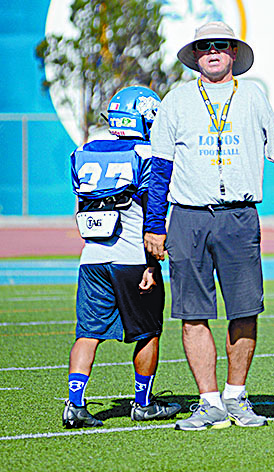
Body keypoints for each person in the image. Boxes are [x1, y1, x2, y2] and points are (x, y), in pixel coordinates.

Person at [143, 21, 274, 431]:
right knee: (193, 313)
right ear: (195, 54)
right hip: (187, 216)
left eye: (220, 45)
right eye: (204, 46)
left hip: (239, 215)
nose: (212, 52)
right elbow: (159, 169)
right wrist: (155, 225)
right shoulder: (177, 100)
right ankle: (209, 403)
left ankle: (236, 396)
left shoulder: (254, 95)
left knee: (244, 309)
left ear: (234, 53)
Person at [64, 86, 181, 428]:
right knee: (148, 332)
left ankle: (75, 404)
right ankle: (143, 403)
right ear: (145, 118)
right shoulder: (146, 154)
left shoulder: (85, 151)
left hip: (92, 257)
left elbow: (80, 210)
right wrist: (152, 262)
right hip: (132, 256)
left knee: (87, 333)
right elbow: (153, 212)